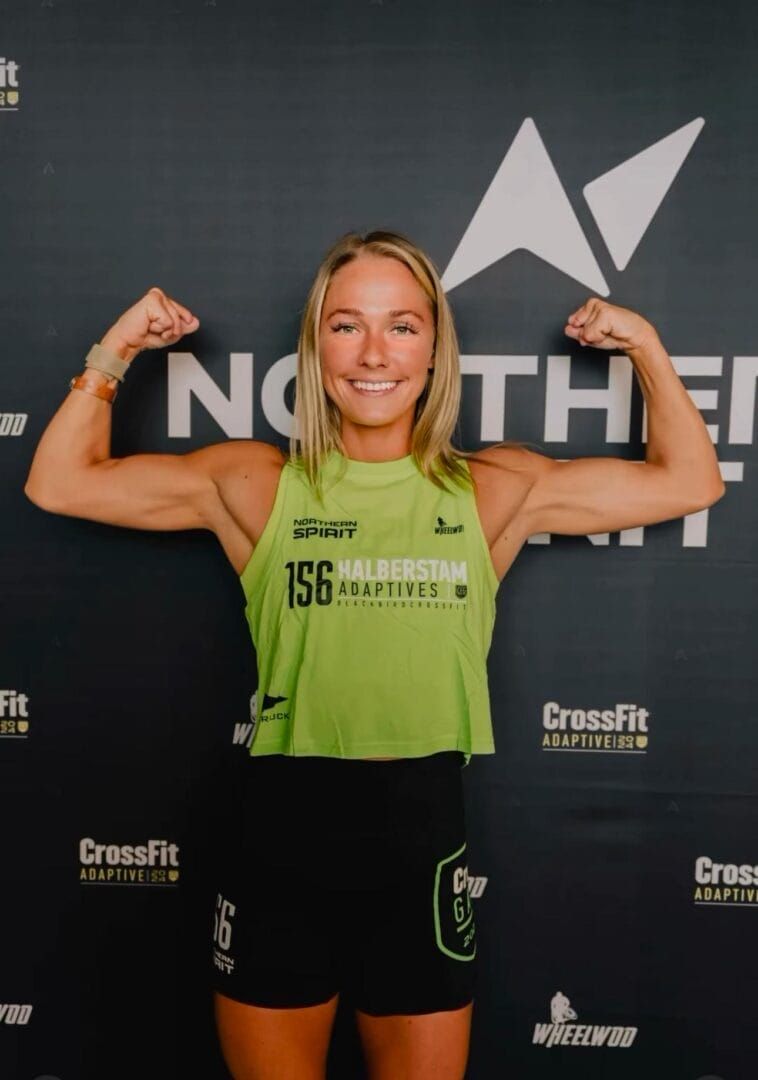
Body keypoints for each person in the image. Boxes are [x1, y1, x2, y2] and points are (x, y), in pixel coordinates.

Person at [23, 229, 725, 1079]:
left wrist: (645, 346)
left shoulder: (494, 489)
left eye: (402, 326)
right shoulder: (257, 484)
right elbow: (58, 482)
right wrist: (116, 348)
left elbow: (691, 482)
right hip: (279, 840)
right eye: (347, 325)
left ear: (434, 349)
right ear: (316, 349)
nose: (374, 353)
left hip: (419, 845)